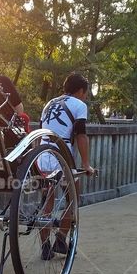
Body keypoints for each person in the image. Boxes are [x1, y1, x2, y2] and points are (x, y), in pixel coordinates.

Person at [38, 73, 96, 259]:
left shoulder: (49, 104)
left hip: (42, 154)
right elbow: (81, 135)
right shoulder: (79, 105)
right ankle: (61, 239)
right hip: (61, 156)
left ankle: (45, 247)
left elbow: (40, 132)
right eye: (85, 93)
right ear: (80, 91)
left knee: (47, 201)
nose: (85, 97)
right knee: (73, 198)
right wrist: (86, 164)